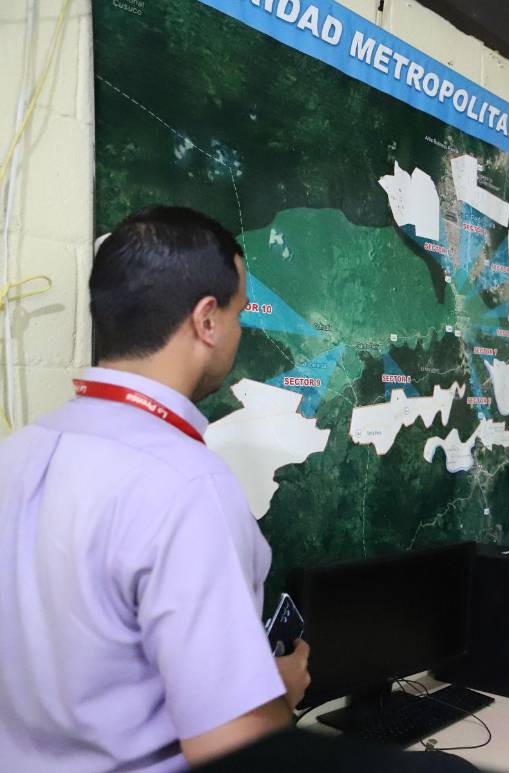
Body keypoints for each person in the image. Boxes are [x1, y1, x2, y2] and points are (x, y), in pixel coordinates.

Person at [0, 206, 310, 771]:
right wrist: (280, 694)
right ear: (207, 321)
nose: (239, 331)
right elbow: (235, 748)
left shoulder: (14, 456)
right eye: (240, 313)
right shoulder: (187, 485)